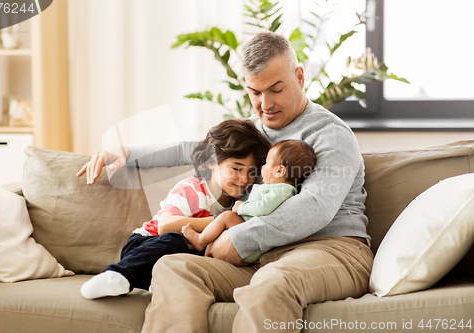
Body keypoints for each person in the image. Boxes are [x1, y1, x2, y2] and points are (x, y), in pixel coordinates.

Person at [79, 31, 374, 333]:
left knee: (272, 282)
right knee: (173, 267)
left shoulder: (331, 135)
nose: (265, 104)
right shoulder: (255, 131)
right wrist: (127, 153)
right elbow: (194, 148)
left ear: (299, 77)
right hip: (259, 257)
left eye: (275, 89)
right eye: (255, 92)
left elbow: (314, 207)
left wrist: (241, 237)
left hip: (331, 250)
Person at [78, 118, 271, 299]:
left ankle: (158, 283)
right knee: (175, 241)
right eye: (236, 169)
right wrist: (218, 221)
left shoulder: (238, 202)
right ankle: (117, 275)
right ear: (212, 162)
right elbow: (165, 226)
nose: (245, 179)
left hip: (176, 261)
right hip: (145, 247)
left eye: (251, 172)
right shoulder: (192, 188)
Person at [181, 139, 316, 264]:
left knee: (226, 216)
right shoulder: (277, 189)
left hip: (249, 240)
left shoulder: (283, 190)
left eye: (267, 162)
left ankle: (200, 240)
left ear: (280, 171)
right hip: (246, 232)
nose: (262, 167)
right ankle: (205, 258)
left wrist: (241, 207)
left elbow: (263, 207)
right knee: (216, 235)